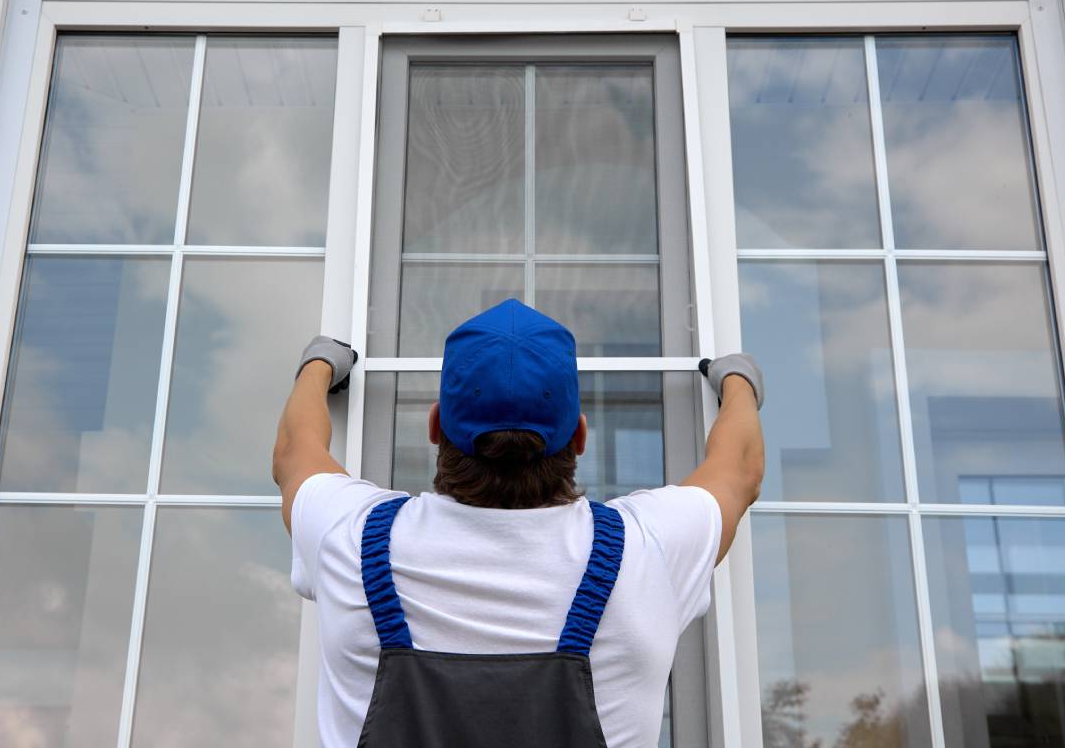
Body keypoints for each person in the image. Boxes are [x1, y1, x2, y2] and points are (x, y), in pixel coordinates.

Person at [273, 298, 764, 748]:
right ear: (579, 436)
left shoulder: (353, 539)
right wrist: (735, 381)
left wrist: (319, 365)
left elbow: (296, 454)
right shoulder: (646, 547)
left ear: (435, 427)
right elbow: (739, 469)